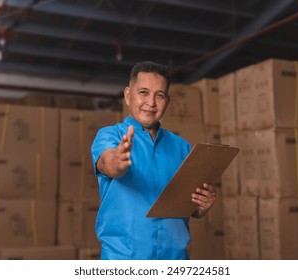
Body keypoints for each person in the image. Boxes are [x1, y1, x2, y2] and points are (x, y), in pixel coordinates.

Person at [91, 61, 216, 260]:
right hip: (123, 260)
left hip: (175, 259)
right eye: (143, 92)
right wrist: (118, 162)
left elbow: (192, 209)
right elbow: (108, 164)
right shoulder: (110, 136)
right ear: (128, 95)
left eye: (160, 95)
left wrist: (201, 206)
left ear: (167, 100)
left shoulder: (182, 147)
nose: (151, 102)